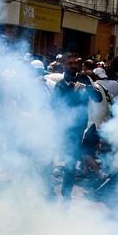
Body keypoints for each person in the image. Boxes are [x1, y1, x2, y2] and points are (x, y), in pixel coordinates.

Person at [52, 53, 89, 199]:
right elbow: (54, 108)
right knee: (50, 159)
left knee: (70, 164)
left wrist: (88, 88)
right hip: (60, 130)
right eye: (70, 63)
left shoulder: (84, 84)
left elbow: (96, 100)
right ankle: (46, 191)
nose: (73, 66)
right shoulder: (59, 86)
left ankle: (66, 194)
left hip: (76, 132)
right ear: (64, 65)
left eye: (75, 63)